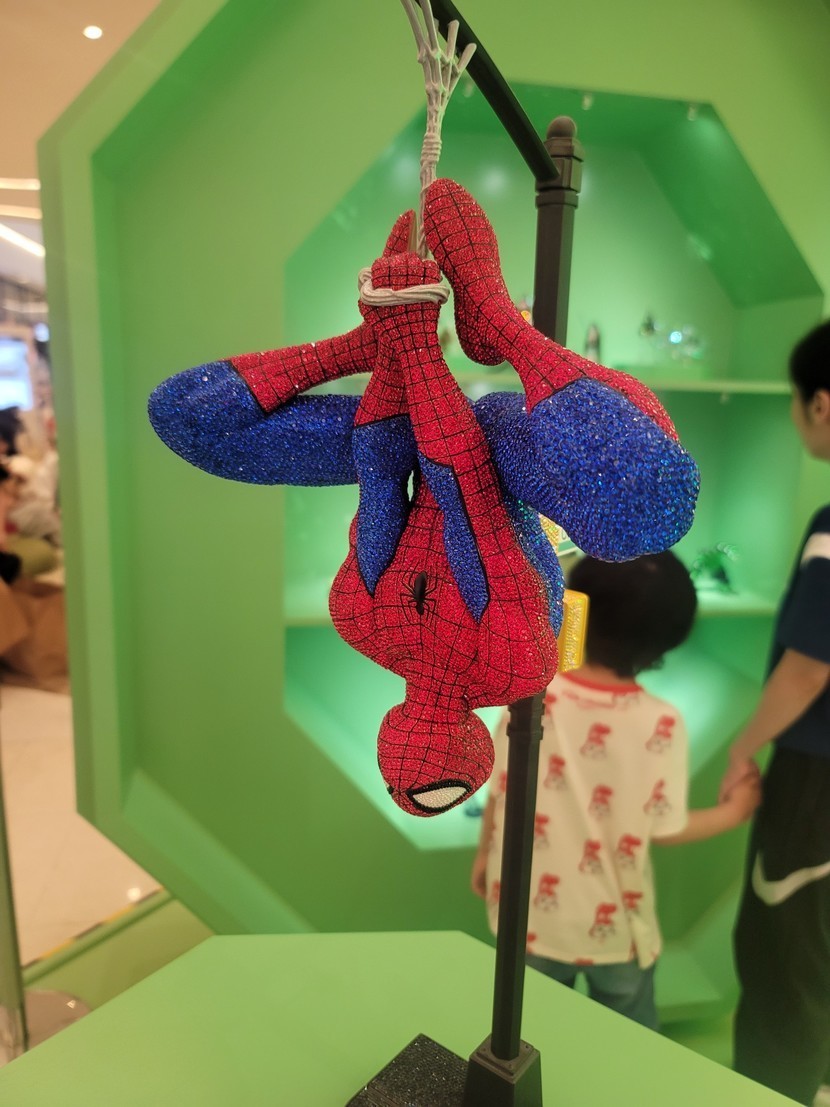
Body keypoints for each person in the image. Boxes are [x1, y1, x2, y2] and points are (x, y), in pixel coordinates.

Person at [471, 551, 760, 1031]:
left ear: (573, 606)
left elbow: (503, 792)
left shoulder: (530, 695)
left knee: (529, 1034)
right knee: (630, 1036)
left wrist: (485, 855)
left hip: (527, 919)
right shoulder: (662, 722)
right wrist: (736, 811)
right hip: (617, 931)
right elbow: (666, 828)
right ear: (670, 637)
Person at [722, 319, 830, 1106]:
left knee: (781, 949)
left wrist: (742, 747)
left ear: (821, 405)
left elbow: (810, 665)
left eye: (796, 403)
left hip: (815, 781)